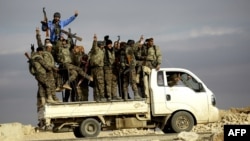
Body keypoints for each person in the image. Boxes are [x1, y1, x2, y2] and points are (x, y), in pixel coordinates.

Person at [88, 34, 106, 102]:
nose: (102, 46)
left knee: (100, 83)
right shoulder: (96, 50)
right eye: (101, 45)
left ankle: (101, 96)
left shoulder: (102, 51)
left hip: (99, 68)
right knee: (96, 84)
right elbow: (94, 47)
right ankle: (97, 97)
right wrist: (95, 41)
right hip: (95, 68)